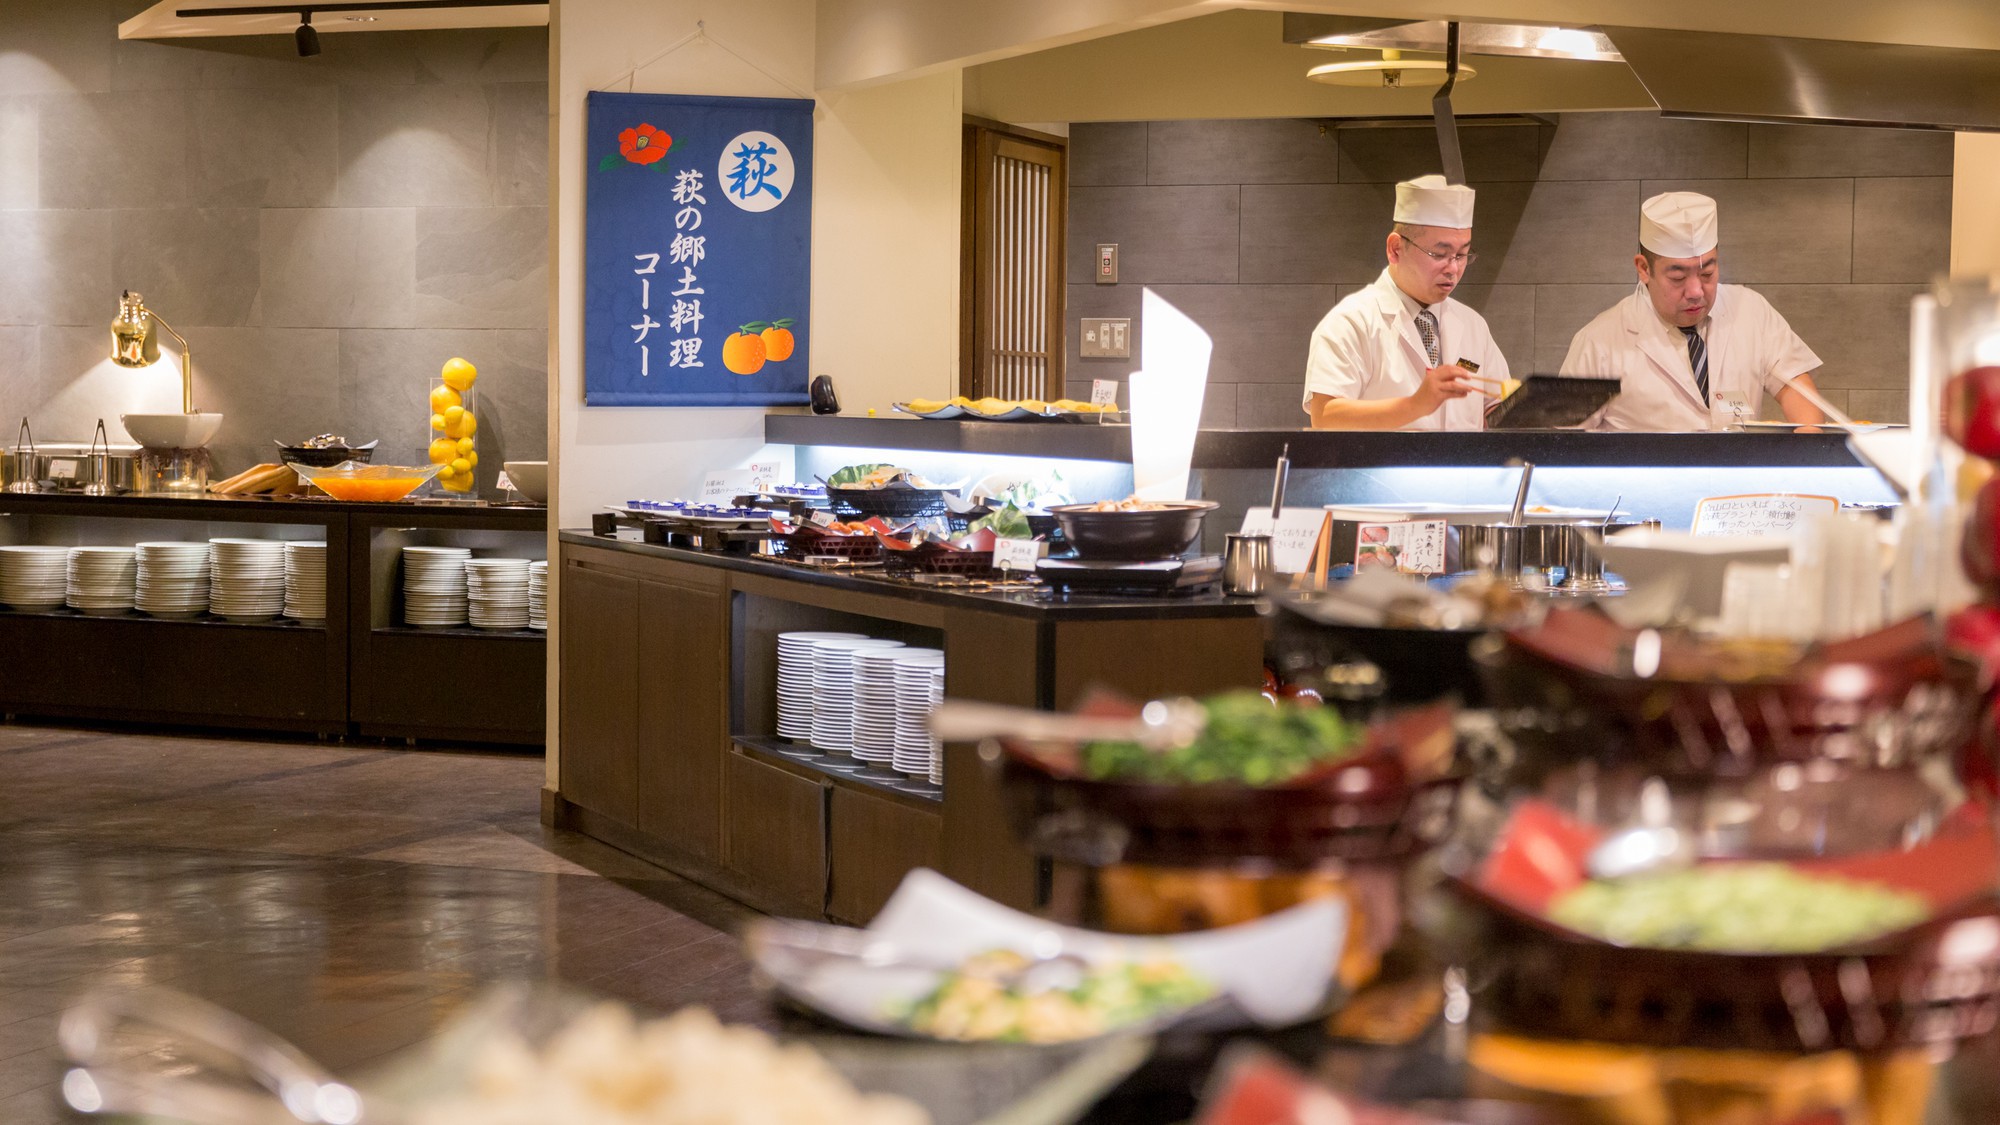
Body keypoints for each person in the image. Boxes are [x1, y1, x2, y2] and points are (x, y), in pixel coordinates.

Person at [1560, 191, 1827, 432]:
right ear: (1643, 269)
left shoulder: (1751, 311)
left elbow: (1798, 392)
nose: (1696, 291)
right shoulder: (1599, 342)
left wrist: (1808, 440)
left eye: (1707, 273)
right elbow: (1565, 443)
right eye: (1677, 278)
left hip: (1736, 483)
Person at [1302, 175, 1510, 431]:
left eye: (1462, 254)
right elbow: (1325, 416)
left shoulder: (1473, 325)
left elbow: (1494, 407)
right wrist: (1415, 405)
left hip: (1460, 471)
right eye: (1440, 254)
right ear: (1396, 249)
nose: (1453, 268)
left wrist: (1530, 410)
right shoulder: (1352, 321)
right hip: (1378, 472)